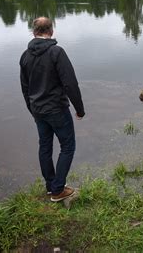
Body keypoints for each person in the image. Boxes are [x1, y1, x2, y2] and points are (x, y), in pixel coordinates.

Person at [19, 17, 85, 202]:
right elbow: (70, 83)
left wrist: (32, 109)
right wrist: (79, 109)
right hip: (56, 109)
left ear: (34, 32)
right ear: (51, 31)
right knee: (68, 146)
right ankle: (57, 190)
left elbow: (25, 88)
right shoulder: (56, 52)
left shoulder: (25, 55)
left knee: (45, 146)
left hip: (38, 110)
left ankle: (51, 186)